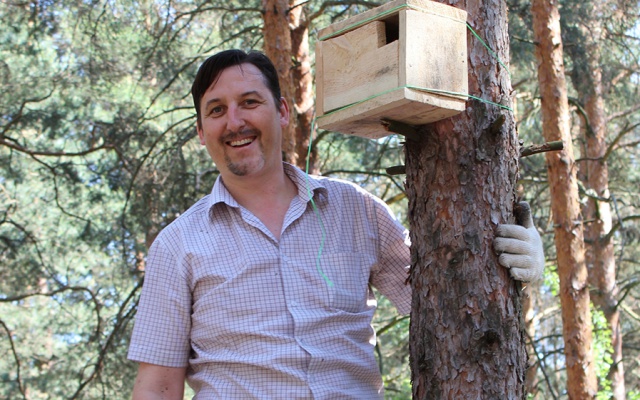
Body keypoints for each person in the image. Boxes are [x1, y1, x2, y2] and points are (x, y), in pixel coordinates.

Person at [128, 49, 545, 399]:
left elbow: (447, 296)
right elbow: (158, 387)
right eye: (217, 110)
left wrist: (515, 263)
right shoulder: (178, 245)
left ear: (282, 111)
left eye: (250, 102)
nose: (234, 121)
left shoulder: (355, 209)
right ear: (202, 131)